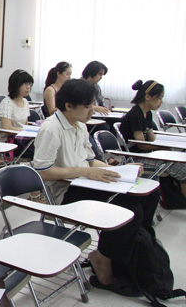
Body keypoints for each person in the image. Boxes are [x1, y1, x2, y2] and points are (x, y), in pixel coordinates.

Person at [32, 79, 160, 296]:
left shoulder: (80, 126)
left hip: (84, 182)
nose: (93, 110)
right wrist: (85, 171)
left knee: (148, 196)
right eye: (87, 106)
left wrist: (121, 171)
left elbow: (91, 161)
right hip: (64, 192)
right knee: (129, 209)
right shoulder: (51, 129)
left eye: (93, 104)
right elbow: (42, 172)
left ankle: (127, 254)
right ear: (69, 106)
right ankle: (103, 258)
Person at [120, 80, 186, 197]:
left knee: (180, 164)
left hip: (147, 154)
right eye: (159, 98)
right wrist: (162, 148)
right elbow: (141, 145)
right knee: (183, 170)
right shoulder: (135, 114)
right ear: (147, 97)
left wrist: (164, 148)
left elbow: (151, 139)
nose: (161, 102)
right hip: (136, 157)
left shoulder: (147, 113)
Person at [0, 69, 35, 159]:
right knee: (40, 150)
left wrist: (30, 131)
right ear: (16, 85)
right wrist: (26, 132)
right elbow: (7, 128)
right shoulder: (7, 102)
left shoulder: (25, 102)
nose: (28, 87)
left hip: (22, 139)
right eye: (25, 84)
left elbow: (25, 125)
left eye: (29, 84)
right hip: (9, 141)